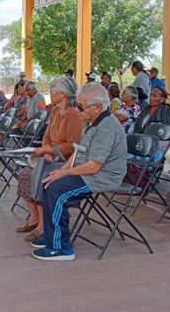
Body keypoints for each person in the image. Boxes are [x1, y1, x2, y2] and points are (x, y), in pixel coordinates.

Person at [31, 83, 129, 261]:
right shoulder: (89, 120)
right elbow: (78, 152)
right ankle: (51, 235)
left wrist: (64, 174)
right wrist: (61, 170)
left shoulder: (106, 127)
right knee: (49, 181)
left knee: (56, 189)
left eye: (80, 106)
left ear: (97, 107)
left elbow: (94, 166)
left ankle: (61, 248)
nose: (76, 110)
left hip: (101, 177)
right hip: (88, 172)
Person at [15, 76, 82, 242]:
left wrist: (52, 151)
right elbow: (46, 136)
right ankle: (34, 218)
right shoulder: (55, 111)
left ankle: (43, 226)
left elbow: (73, 145)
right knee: (24, 173)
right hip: (51, 156)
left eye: (53, 90)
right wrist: (46, 151)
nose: (50, 93)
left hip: (65, 161)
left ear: (64, 94)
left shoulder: (73, 114)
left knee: (39, 177)